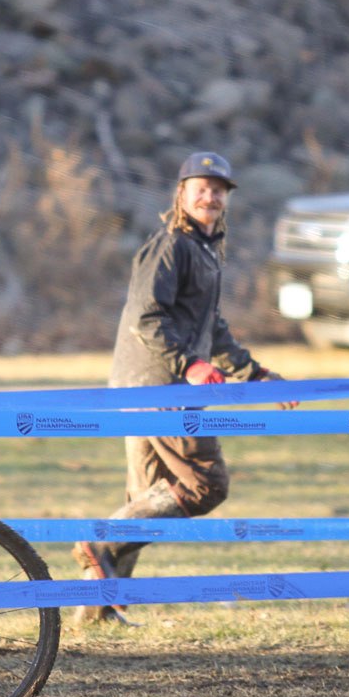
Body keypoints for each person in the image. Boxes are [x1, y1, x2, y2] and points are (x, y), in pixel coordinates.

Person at [72, 152, 297, 624]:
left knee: (145, 496)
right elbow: (145, 318)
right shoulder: (171, 245)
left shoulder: (204, 251)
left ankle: (95, 614)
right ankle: (101, 544)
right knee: (204, 484)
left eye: (219, 189)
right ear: (181, 192)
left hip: (149, 386)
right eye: (201, 186)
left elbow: (211, 329)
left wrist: (254, 374)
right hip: (158, 387)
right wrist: (189, 365)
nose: (210, 195)